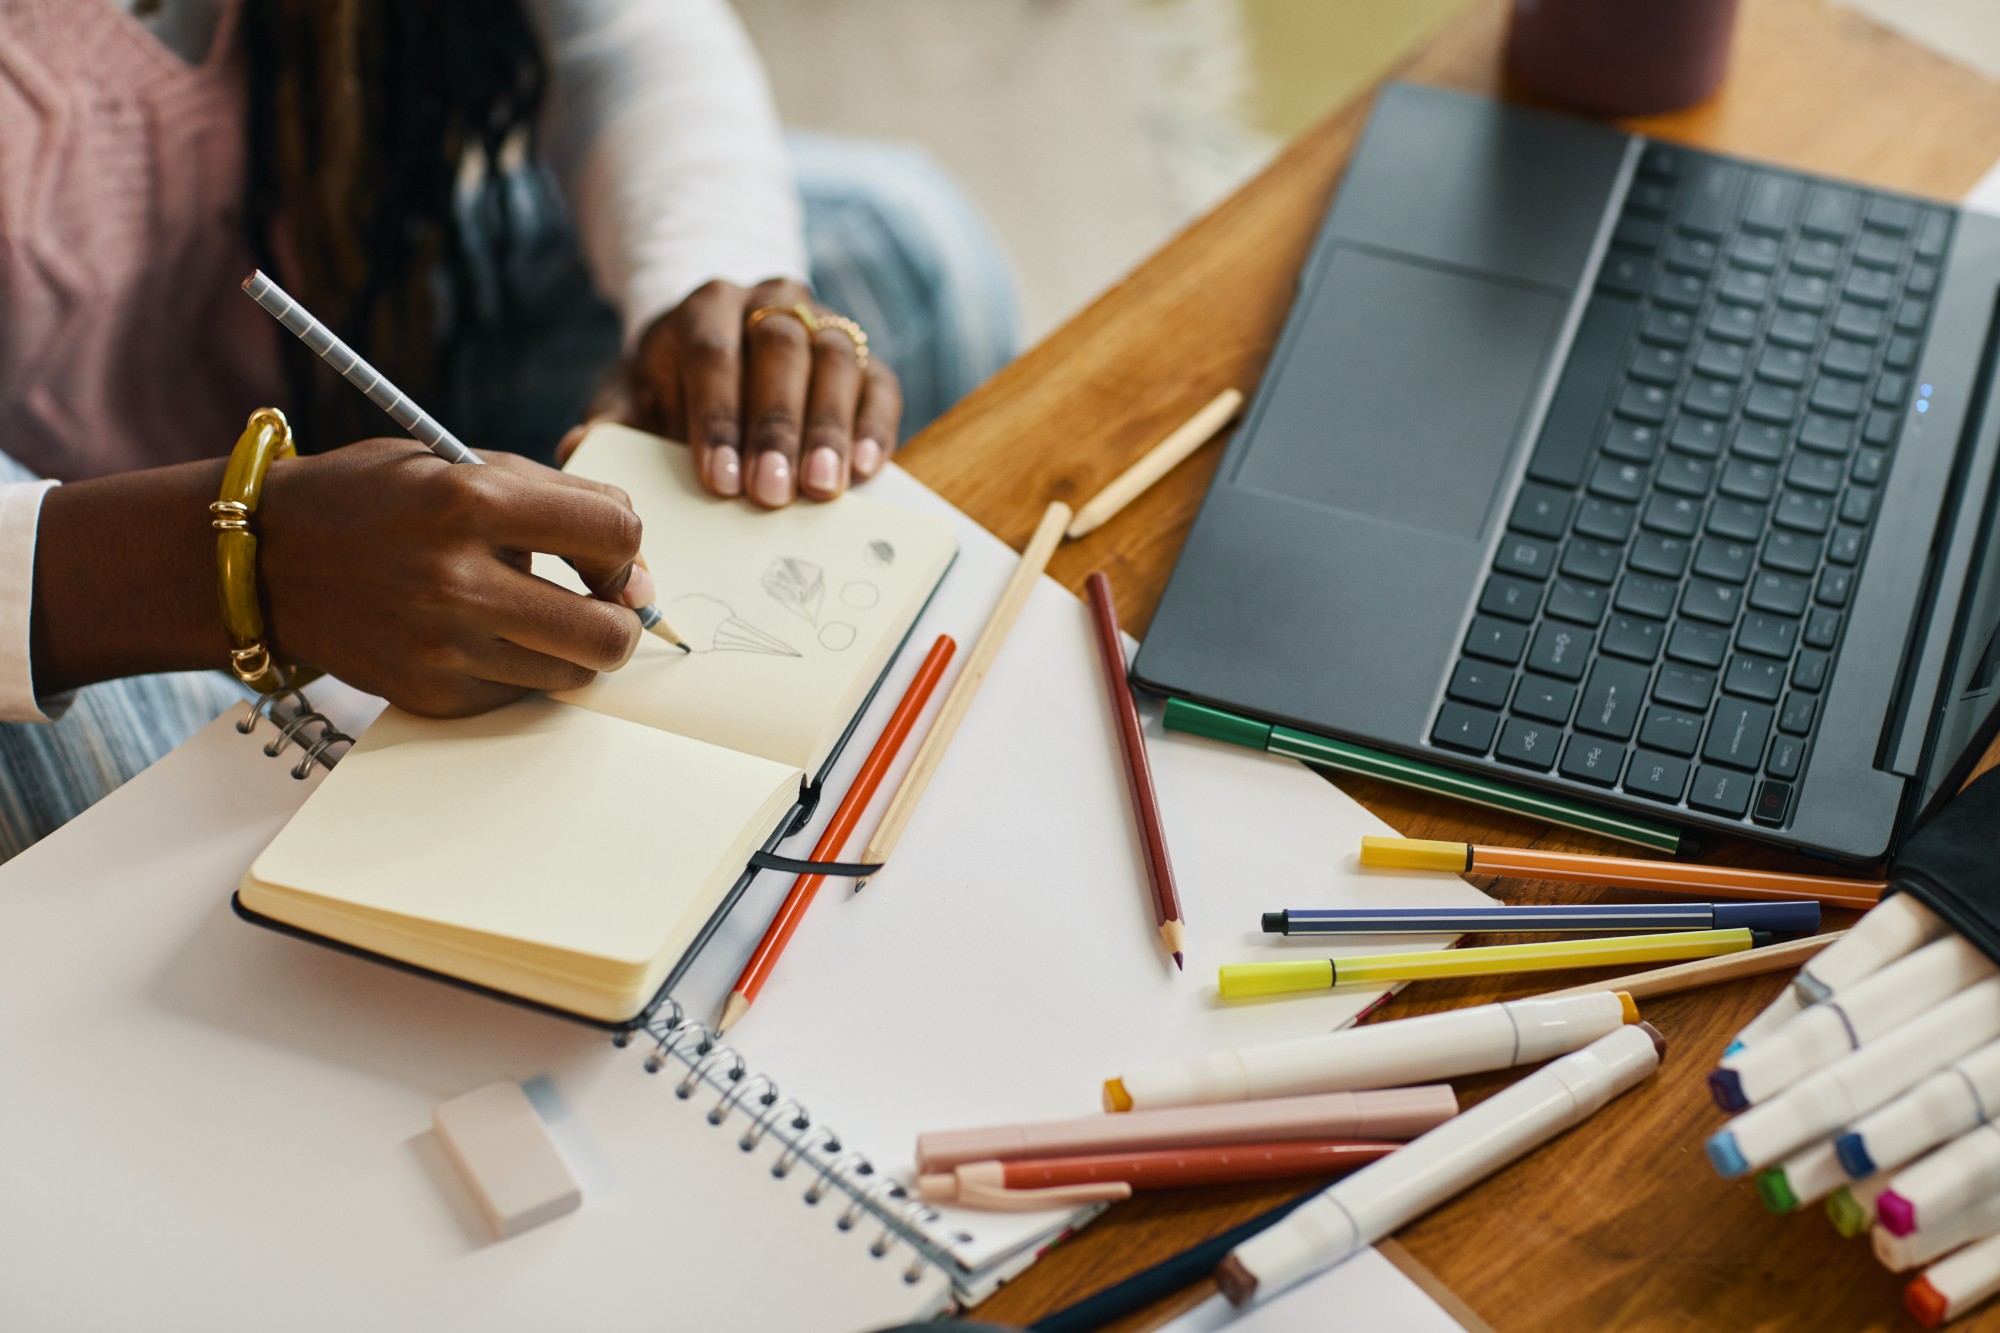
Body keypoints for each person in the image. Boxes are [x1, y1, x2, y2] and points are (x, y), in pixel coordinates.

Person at [0, 0, 1017, 859]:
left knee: (899, 253)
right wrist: (238, 562)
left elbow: (618, 37)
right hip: (67, 572)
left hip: (366, 316)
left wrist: (696, 295)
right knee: (89, 787)